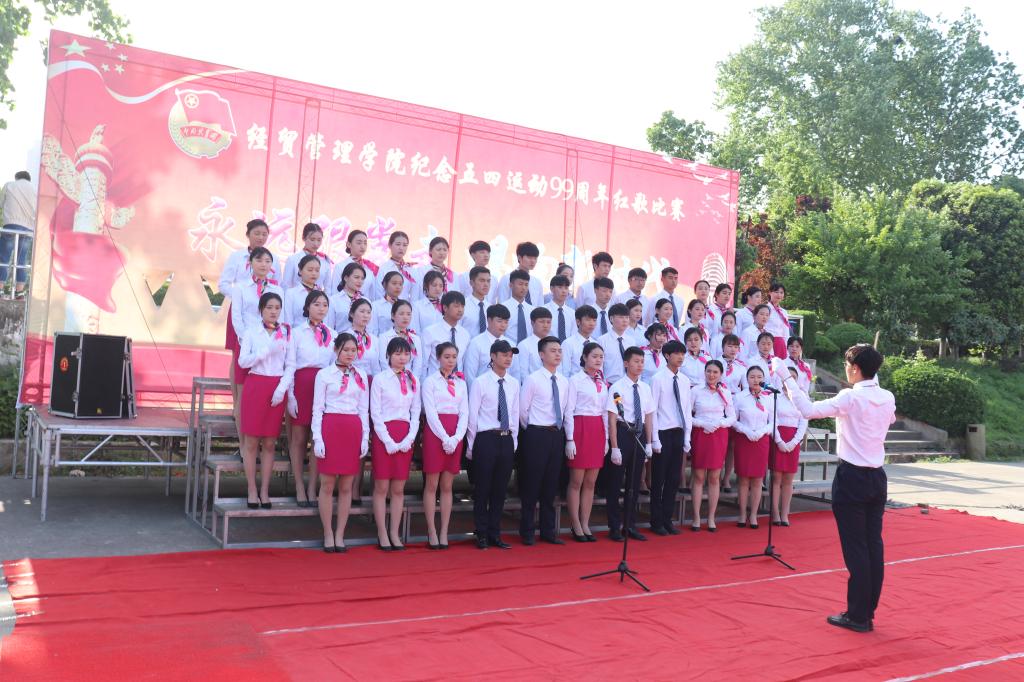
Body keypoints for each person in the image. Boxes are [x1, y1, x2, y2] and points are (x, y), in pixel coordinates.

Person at [784, 344, 895, 633]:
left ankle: (858, 615)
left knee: (857, 547)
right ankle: (866, 612)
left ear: (855, 369)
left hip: (852, 476)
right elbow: (890, 418)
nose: (846, 370)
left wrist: (786, 379)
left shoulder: (850, 397)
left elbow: (807, 410)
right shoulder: (887, 397)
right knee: (873, 545)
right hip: (877, 476)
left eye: (848, 365)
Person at [311, 333, 370, 553]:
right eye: (346, 350)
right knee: (327, 484)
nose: (350, 354)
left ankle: (340, 534)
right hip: (331, 426)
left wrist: (365, 436)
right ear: (336, 349)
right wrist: (317, 437)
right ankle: (328, 532)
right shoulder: (324, 375)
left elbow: (363, 409)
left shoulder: (360, 375)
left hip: (352, 428)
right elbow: (317, 408)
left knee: (346, 485)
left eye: (354, 350)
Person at [218, 220, 280, 425]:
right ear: (248, 234)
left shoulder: (273, 259)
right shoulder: (237, 257)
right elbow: (223, 284)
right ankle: (237, 403)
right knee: (238, 355)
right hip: (241, 312)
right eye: (256, 233)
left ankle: (253, 402)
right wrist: (240, 296)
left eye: (264, 234)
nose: (260, 237)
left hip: (266, 313)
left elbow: (277, 285)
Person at [237, 292, 293, 509]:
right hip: (256, 385)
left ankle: (264, 490)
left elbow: (291, 364)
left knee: (270, 443)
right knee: (252, 442)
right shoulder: (252, 332)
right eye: (269, 307)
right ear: (261, 310)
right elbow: (243, 362)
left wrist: (282, 388)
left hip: (276, 386)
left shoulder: (286, 333)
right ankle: (251, 488)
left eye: (277, 308)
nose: (273, 311)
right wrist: (265, 351)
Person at [370, 337, 422, 551]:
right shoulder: (380, 379)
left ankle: (394, 531)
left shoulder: (413, 380)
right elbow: (375, 412)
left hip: (405, 434)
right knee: (382, 486)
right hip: (384, 434)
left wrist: (410, 438)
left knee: (399, 488)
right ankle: (382, 532)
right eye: (397, 353)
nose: (402, 358)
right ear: (388, 356)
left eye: (406, 354)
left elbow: (416, 411)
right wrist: (387, 440)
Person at [467, 340, 520, 549]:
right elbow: (473, 415)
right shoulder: (481, 382)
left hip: (506, 438)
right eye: (504, 354)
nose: (508, 358)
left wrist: (513, 441)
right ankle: (481, 532)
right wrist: (472, 444)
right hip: (486, 437)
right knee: (483, 488)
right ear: (493, 356)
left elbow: (514, 412)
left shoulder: (513, 383)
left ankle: (495, 533)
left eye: (510, 355)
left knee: (500, 489)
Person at [517, 336, 570, 545]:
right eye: (552, 351)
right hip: (536, 433)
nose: (557, 354)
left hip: (556, 434)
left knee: (551, 484)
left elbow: (564, 409)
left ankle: (548, 530)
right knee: (532, 483)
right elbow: (523, 410)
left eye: (559, 351)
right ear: (541, 354)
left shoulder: (563, 381)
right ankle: (527, 531)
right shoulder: (533, 379)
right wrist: (534, 429)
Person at [284, 290, 334, 508]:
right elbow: (290, 364)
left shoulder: (332, 334)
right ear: (307, 307)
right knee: (298, 438)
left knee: (317, 438)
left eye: (324, 304)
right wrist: (291, 396)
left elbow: (333, 366)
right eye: (316, 304)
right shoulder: (296, 333)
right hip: (302, 385)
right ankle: (299, 485)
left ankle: (313, 487)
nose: (321, 308)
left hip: (322, 386)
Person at [421, 342, 468, 549]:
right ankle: (431, 530)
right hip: (435, 432)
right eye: (446, 357)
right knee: (432, 484)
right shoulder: (430, 381)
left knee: (447, 485)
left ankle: (444, 530)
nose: (450, 361)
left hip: (455, 432)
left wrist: (456, 438)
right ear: (438, 358)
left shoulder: (461, 383)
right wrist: (444, 437)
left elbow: (464, 412)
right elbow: (430, 412)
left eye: (454, 357)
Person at [229, 248, 284, 426]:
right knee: (242, 399)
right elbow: (237, 317)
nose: (263, 265)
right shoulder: (240, 287)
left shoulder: (277, 289)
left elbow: (280, 319)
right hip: (246, 344)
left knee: (264, 399)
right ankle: (244, 441)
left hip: (270, 345)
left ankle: (262, 436)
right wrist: (248, 340)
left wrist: (272, 341)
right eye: (259, 260)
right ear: (250, 263)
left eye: (268, 261)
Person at [605, 347, 654, 542]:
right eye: (636, 361)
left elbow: (648, 416)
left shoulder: (645, 388)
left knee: (634, 484)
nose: (640, 365)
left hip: (639, 434)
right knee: (615, 483)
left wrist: (649, 442)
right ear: (626, 363)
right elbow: (612, 418)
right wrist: (615, 447)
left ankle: (630, 525)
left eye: (642, 361)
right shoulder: (617, 387)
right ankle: (614, 526)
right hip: (623, 432)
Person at [563, 342, 607, 542]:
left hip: (597, 429)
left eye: (601, 357)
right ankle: (575, 524)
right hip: (580, 427)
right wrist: (570, 438)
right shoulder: (575, 380)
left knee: (591, 482)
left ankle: (585, 523)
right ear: (584, 357)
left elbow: (604, 412)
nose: (598, 360)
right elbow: (569, 410)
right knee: (576, 481)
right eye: (594, 356)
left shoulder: (602, 382)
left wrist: (606, 439)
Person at [648, 340, 691, 535]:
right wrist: (654, 438)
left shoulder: (685, 380)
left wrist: (687, 436)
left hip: (678, 431)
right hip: (663, 432)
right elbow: (653, 410)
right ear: (667, 356)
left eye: (683, 354)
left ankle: (667, 519)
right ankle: (656, 521)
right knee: (659, 478)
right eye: (677, 353)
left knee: (674, 478)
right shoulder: (657, 379)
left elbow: (687, 409)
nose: (681, 357)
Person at [688, 359, 736, 531]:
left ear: (721, 374)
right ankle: (696, 517)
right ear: (704, 372)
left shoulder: (725, 392)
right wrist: (701, 423)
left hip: (718, 434)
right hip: (700, 433)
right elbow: (687, 415)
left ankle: (711, 517)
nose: (711, 375)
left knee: (714, 477)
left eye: (715, 372)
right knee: (699, 476)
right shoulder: (696, 391)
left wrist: (719, 423)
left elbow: (732, 417)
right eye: (709, 371)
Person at [732, 366, 773, 528]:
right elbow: (733, 420)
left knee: (757, 479)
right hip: (744, 440)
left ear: (764, 379)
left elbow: (773, 421)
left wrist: (761, 432)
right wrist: (746, 431)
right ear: (747, 379)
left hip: (761, 441)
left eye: (759, 377)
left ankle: (754, 515)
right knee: (743, 479)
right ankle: (742, 514)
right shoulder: (739, 397)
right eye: (752, 377)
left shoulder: (769, 398)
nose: (756, 380)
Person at [773, 368, 808, 527]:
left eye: (793, 377)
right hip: (778, 438)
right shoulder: (776, 397)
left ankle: (785, 513)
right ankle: (775, 513)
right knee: (776, 478)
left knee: (788, 479)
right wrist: (779, 441)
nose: (790, 379)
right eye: (788, 377)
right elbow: (772, 419)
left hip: (793, 440)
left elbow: (804, 422)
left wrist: (794, 442)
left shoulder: (801, 398)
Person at [718, 334, 748, 492]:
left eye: (736, 347)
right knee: (718, 443)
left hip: (734, 405)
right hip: (717, 404)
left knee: (731, 444)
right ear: (723, 347)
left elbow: (745, 389)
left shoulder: (742, 367)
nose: (733, 349)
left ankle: (726, 478)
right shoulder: (715, 362)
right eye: (729, 346)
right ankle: (715, 476)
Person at [1, 171, 36, 296]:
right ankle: (20, 292)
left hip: (11, 225)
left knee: (3, 258)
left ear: (17, 178)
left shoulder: (10, 185)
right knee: (21, 260)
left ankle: (0, 288)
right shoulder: (35, 190)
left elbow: (1, 203)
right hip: (27, 229)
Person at [463, 304, 516, 384]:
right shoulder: (476, 343)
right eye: (499, 321)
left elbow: (515, 373)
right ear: (489, 320)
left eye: (506, 322)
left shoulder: (511, 344)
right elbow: (470, 375)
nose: (503, 325)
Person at [422, 290, 470, 376]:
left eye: (462, 306)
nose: (460, 310)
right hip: (435, 381)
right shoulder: (430, 332)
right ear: (445, 308)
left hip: (457, 381)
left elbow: (464, 363)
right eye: (456, 306)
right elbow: (423, 364)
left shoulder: (465, 334)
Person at [377, 299, 425, 381]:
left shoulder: (415, 339)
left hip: (410, 380)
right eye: (401, 314)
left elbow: (418, 364)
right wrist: (395, 379)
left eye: (408, 314)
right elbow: (384, 362)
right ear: (393, 315)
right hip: (390, 380)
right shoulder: (384, 337)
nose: (405, 317)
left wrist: (412, 380)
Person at [283, 222, 333, 290]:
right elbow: (286, 286)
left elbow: (328, 288)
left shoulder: (325, 261)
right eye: (312, 239)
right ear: (303, 238)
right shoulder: (293, 260)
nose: (316, 244)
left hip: (318, 296)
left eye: (319, 240)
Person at [332, 229, 379, 297]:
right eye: (359, 243)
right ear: (349, 244)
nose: (362, 246)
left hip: (365, 303)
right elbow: (334, 292)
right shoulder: (341, 266)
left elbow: (372, 294)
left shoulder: (370, 267)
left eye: (365, 243)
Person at [282, 254, 323, 327]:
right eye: (310, 270)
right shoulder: (291, 293)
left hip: (319, 332)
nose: (314, 273)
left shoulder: (321, 294)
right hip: (297, 333)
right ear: (300, 271)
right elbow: (288, 321)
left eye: (317, 270)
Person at [597, 303, 633, 385]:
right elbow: (599, 366)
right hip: (609, 384)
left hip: (628, 384)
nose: (625, 320)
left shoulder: (631, 341)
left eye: (627, 317)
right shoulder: (602, 341)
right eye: (621, 317)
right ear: (611, 319)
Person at [373, 230, 415, 300]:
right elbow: (378, 294)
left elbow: (414, 295)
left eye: (405, 245)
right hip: (387, 306)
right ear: (390, 245)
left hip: (406, 306)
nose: (401, 248)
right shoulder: (384, 269)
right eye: (398, 244)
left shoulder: (410, 269)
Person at [411, 236, 455, 301]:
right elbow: (415, 295)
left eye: (445, 250)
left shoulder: (452, 274)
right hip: (426, 306)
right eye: (438, 249)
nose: (442, 253)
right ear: (430, 251)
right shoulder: (421, 271)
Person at [515, 307, 553, 380]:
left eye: (548, 322)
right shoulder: (524, 345)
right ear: (532, 323)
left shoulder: (554, 344)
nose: (545, 325)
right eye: (542, 322)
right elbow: (523, 373)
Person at [561, 305, 598, 376]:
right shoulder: (568, 343)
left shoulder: (596, 344)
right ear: (578, 322)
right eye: (588, 320)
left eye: (594, 320)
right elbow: (565, 372)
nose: (592, 324)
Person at [328, 262, 366, 333]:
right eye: (356, 277)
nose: (360, 281)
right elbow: (329, 328)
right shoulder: (333, 301)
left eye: (362, 278)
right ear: (346, 278)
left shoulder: (365, 301)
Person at [501, 269, 535, 344]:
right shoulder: (502, 308)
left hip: (528, 349)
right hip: (508, 348)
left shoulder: (532, 310)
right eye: (520, 284)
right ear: (511, 285)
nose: (524, 288)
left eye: (526, 285)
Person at [461, 266, 492, 336]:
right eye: (482, 280)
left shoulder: (490, 307)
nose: (486, 284)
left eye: (488, 281)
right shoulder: (463, 306)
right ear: (472, 283)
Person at [543, 274, 574, 341]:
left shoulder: (572, 313)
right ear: (552, 289)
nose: (564, 291)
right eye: (560, 287)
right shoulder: (543, 310)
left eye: (566, 288)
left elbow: (573, 335)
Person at [766, 282, 791, 359]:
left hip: (781, 344)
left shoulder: (784, 312)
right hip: (767, 342)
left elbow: (786, 332)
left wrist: (787, 348)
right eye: (776, 292)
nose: (779, 295)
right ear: (770, 293)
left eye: (781, 292)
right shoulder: (765, 309)